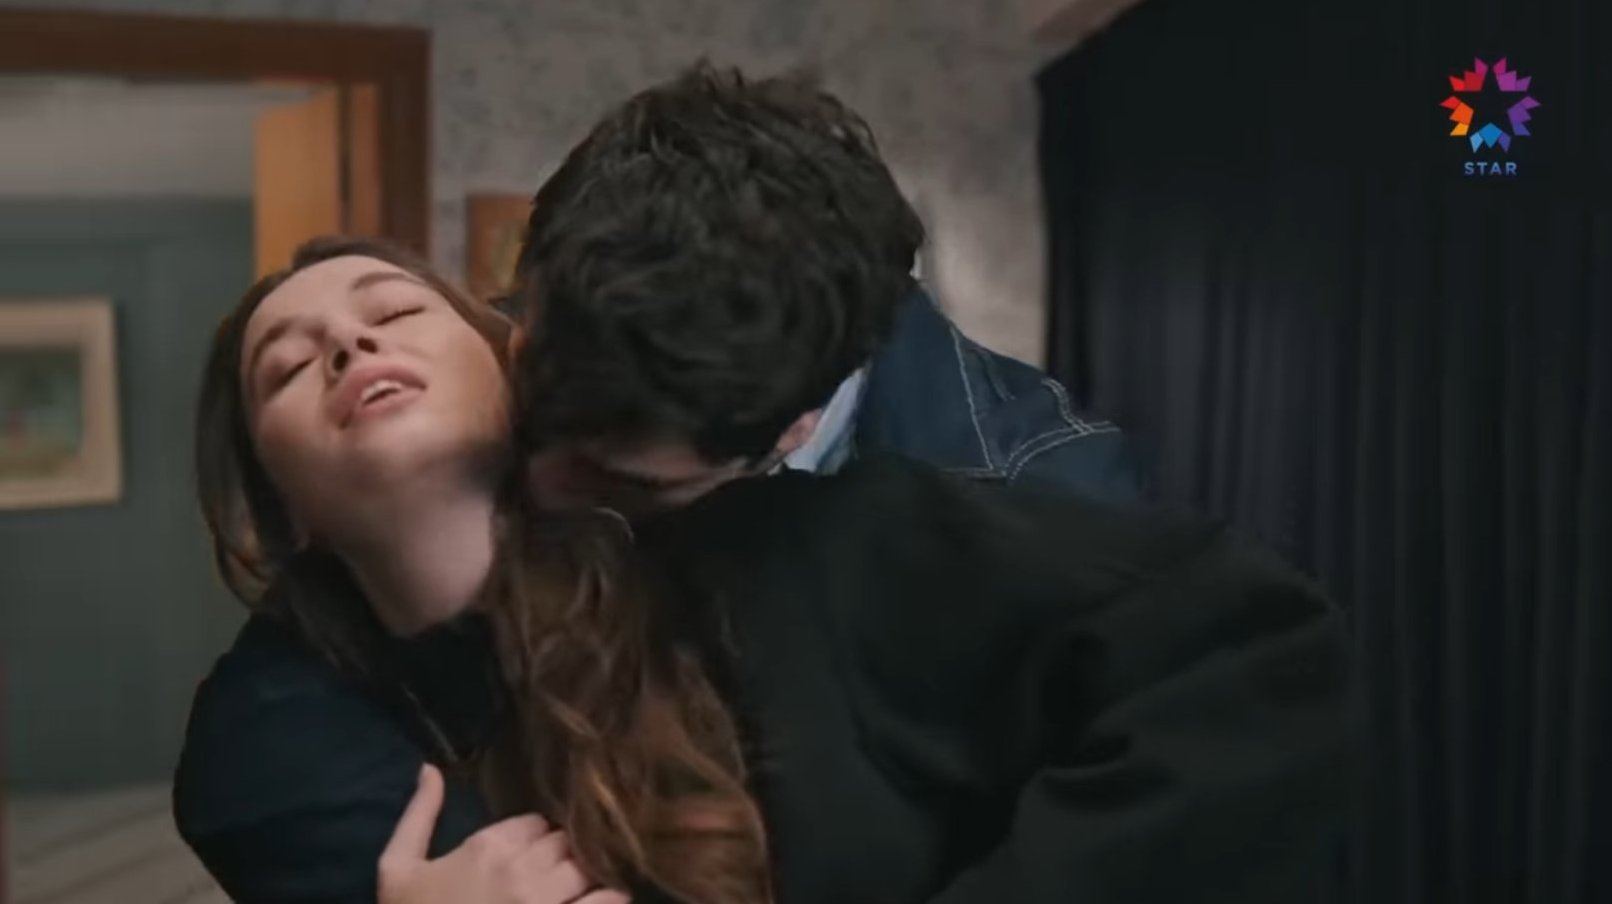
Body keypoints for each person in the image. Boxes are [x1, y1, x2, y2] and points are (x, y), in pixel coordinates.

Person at [174, 68, 1351, 904]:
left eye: (391, 309)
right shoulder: (279, 730)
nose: (349, 344)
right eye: (285, 366)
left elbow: (1240, 669)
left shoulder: (829, 536)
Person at [512, 66, 1140, 516]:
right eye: (535, 419)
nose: (530, 487)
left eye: (623, 483)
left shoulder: (1046, 511)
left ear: (794, 428)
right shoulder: (537, 337)